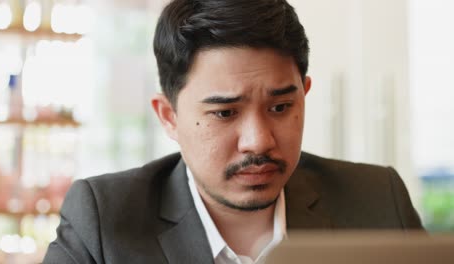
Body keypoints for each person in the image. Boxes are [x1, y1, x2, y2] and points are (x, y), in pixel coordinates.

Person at [43, 0, 423, 263]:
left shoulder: (378, 203)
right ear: (169, 116)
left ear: (304, 95)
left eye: (280, 107)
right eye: (224, 113)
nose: (258, 140)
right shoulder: (104, 221)